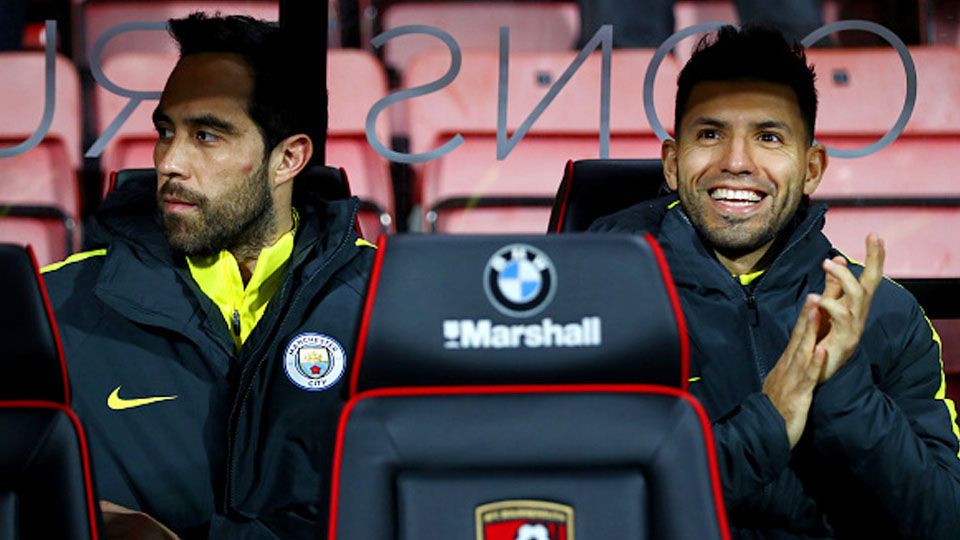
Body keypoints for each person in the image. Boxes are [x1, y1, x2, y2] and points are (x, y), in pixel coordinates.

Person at [590, 26, 960, 539]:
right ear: (673, 164)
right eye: (711, 134)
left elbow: (943, 522)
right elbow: (594, 504)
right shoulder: (602, 300)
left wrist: (844, 390)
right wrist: (769, 422)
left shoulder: (885, 314)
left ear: (812, 168)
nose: (737, 162)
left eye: (768, 137)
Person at [42, 13, 375, 539]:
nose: (169, 161)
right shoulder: (57, 307)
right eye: (166, 131)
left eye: (206, 135)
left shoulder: (381, 307)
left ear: (288, 157)